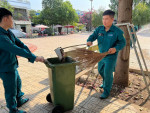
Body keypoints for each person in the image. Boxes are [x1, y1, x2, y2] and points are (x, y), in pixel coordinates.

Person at [0, 8, 45, 113]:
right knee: (10, 90)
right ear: (6, 18)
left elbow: (20, 44)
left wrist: (32, 55)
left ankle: (19, 100)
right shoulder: (1, 37)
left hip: (12, 65)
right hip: (5, 68)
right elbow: (15, 49)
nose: (13, 21)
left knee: (17, 83)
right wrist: (34, 58)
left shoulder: (8, 32)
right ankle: (13, 110)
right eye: (12, 18)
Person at [87, 10, 126, 99]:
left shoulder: (117, 31)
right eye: (103, 19)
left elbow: (123, 42)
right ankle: (105, 83)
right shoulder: (99, 29)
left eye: (107, 19)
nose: (104, 21)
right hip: (101, 55)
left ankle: (106, 91)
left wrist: (115, 48)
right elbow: (93, 36)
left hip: (110, 56)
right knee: (100, 71)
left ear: (112, 19)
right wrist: (89, 40)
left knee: (107, 73)